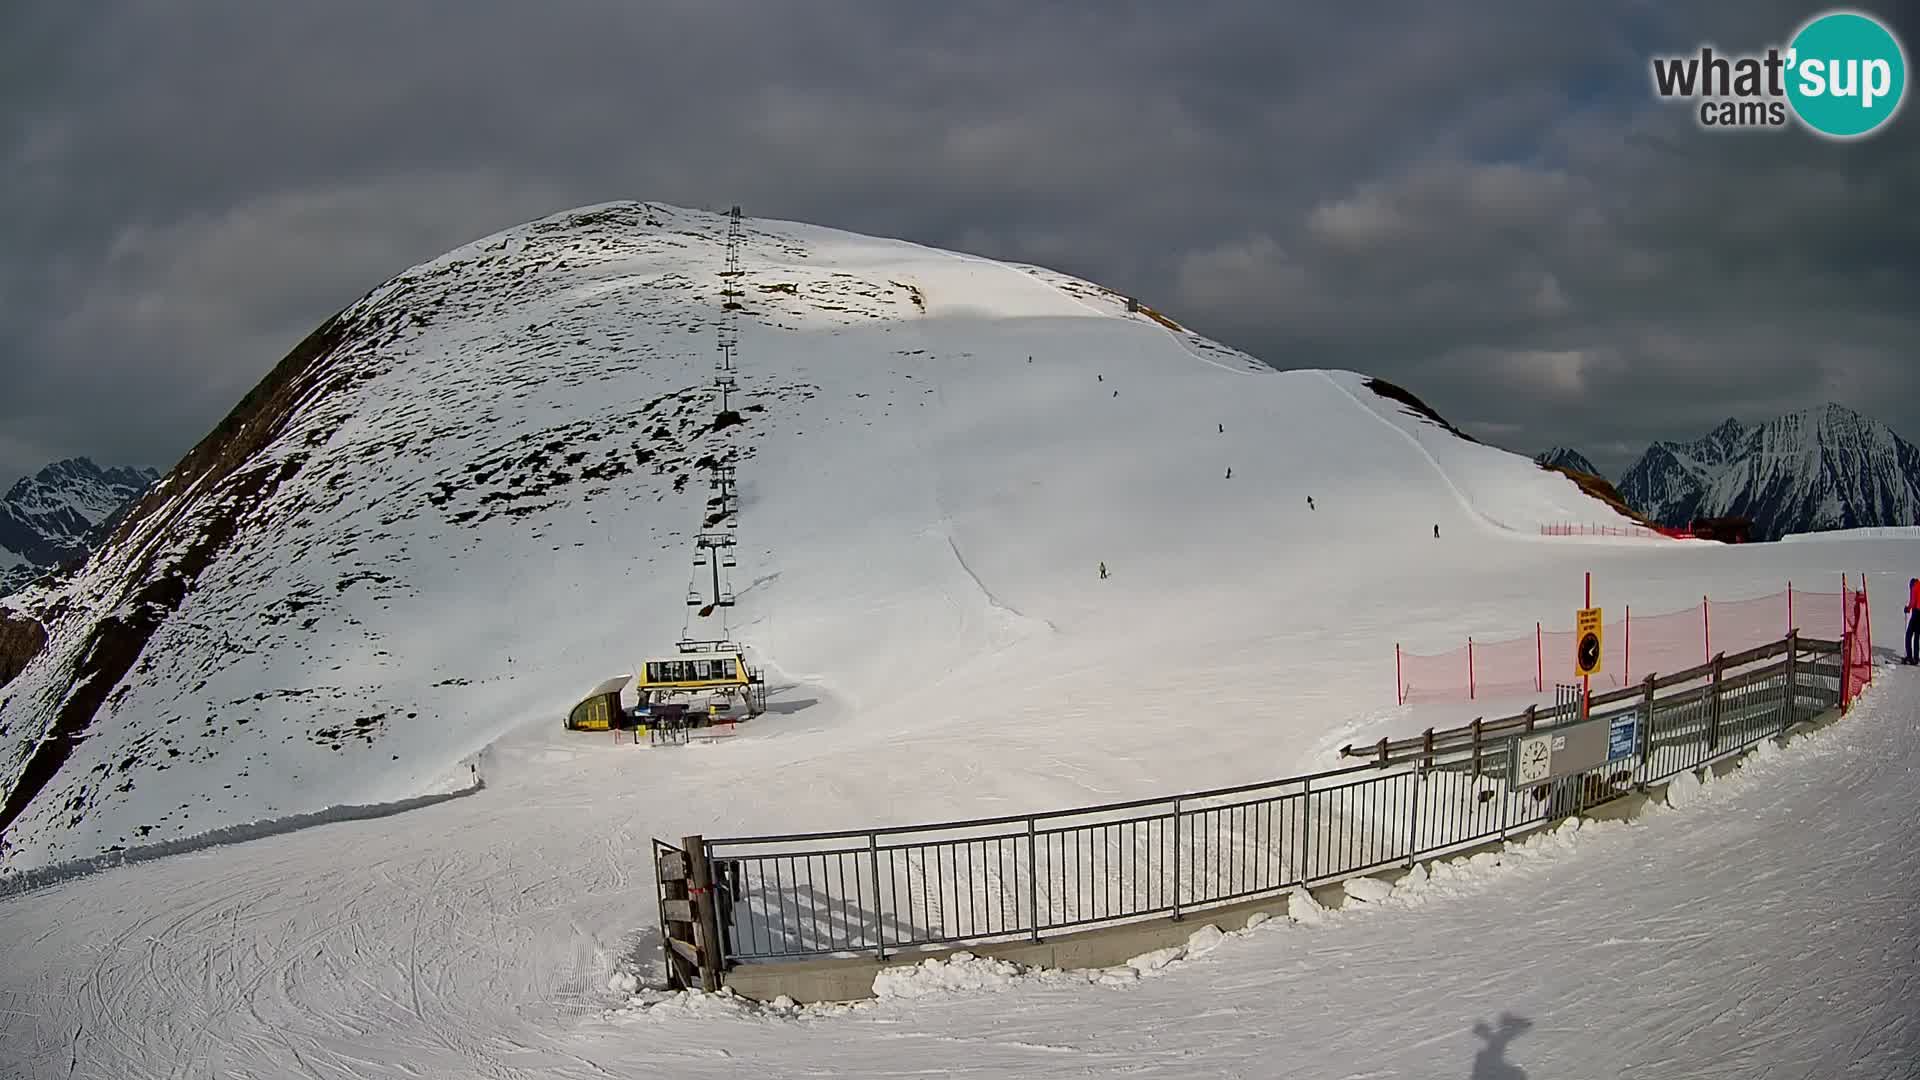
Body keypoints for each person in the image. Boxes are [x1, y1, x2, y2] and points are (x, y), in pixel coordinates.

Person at [1906, 576, 1919, 665]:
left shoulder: (1914, 587)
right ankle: (1916, 657)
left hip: (1917, 612)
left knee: (1909, 635)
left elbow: (1913, 601)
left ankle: (1910, 657)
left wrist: (1907, 608)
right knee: (1917, 636)